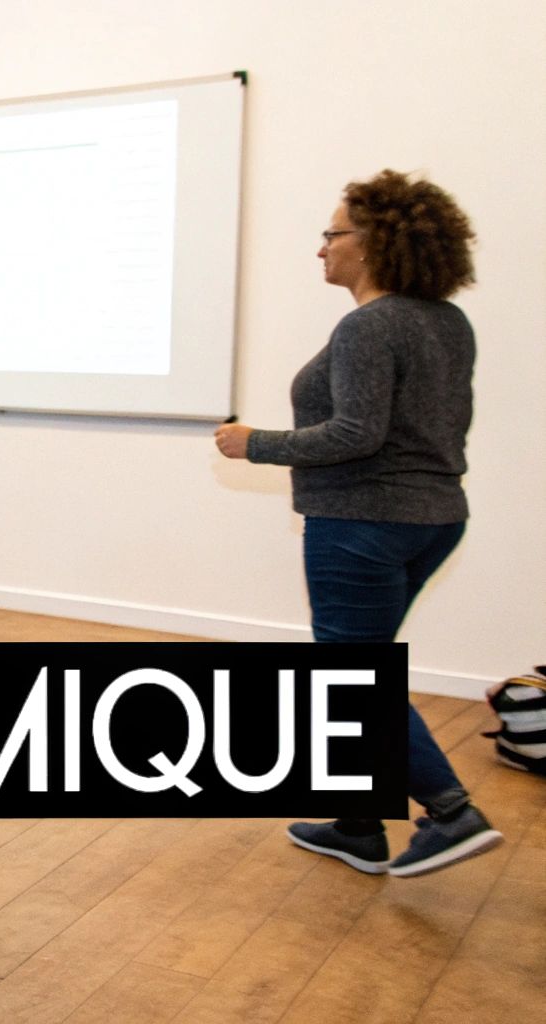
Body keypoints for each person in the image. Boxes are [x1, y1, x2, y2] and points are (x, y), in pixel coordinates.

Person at [215, 170, 501, 877]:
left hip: (363, 521)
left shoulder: (368, 325)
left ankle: (450, 810)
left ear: (374, 243)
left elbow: (356, 433)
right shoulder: (446, 321)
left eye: (333, 233)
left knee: (351, 678)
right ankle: (356, 823)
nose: (322, 249)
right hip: (435, 519)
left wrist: (255, 443)